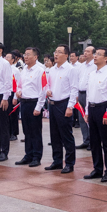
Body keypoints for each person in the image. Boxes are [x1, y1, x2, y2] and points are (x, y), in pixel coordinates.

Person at [83, 48, 107, 182]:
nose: (95, 56)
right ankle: (97, 169)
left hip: (104, 108)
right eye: (95, 54)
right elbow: (88, 95)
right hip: (92, 108)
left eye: (98, 55)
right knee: (94, 141)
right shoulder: (92, 74)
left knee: (106, 142)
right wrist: (87, 111)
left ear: (106, 58)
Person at [45, 44, 78, 173]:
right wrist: (47, 90)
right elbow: (48, 83)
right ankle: (57, 161)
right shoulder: (52, 69)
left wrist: (70, 107)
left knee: (66, 135)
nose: (56, 54)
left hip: (64, 104)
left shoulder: (70, 69)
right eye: (55, 52)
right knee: (54, 135)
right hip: (52, 104)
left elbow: (74, 89)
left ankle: (69, 163)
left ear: (66, 55)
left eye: (59, 52)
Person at [14, 47, 46, 167]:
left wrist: (38, 107)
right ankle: (28, 155)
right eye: (25, 54)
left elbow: (43, 90)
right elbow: (20, 85)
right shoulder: (24, 70)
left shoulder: (39, 70)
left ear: (35, 57)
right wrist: (19, 91)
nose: (25, 57)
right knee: (26, 131)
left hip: (34, 102)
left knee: (35, 131)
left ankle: (37, 156)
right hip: (24, 102)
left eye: (28, 54)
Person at [76, 46, 96, 150]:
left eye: (88, 51)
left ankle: (93, 141)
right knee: (81, 118)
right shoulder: (81, 66)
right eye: (85, 51)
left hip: (89, 95)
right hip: (80, 94)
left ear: (93, 54)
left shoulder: (95, 66)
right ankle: (86, 140)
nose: (85, 53)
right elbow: (78, 80)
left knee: (89, 118)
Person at [6, 51, 21, 141]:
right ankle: (7, 131)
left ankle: (14, 133)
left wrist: (15, 97)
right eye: (5, 57)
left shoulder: (15, 70)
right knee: (5, 114)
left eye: (8, 57)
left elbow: (18, 84)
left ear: (13, 60)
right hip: (5, 93)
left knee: (13, 114)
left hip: (13, 94)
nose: (6, 59)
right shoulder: (3, 69)